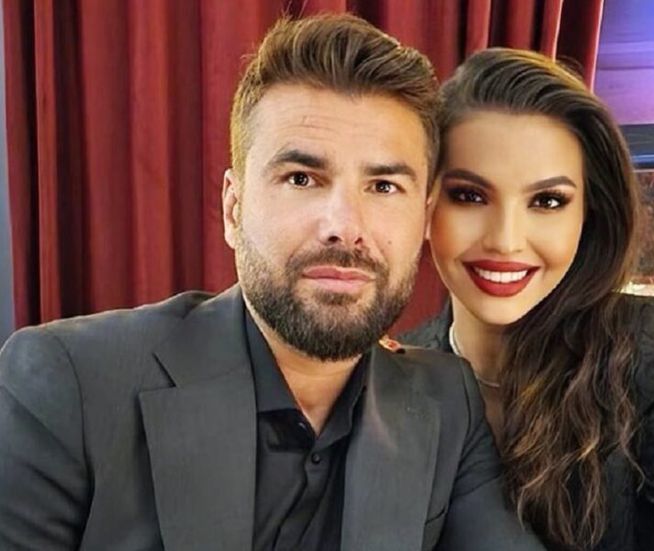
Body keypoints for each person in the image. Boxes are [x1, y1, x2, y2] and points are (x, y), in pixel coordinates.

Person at [0, 16, 544, 551]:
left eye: (383, 186)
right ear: (233, 209)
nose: (344, 226)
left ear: (423, 219)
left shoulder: (447, 403)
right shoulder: (67, 383)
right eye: (302, 179)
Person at [401, 48, 654, 550]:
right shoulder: (395, 375)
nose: (506, 240)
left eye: (548, 201)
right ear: (424, 204)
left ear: (588, 216)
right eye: (470, 196)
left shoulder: (646, 348)